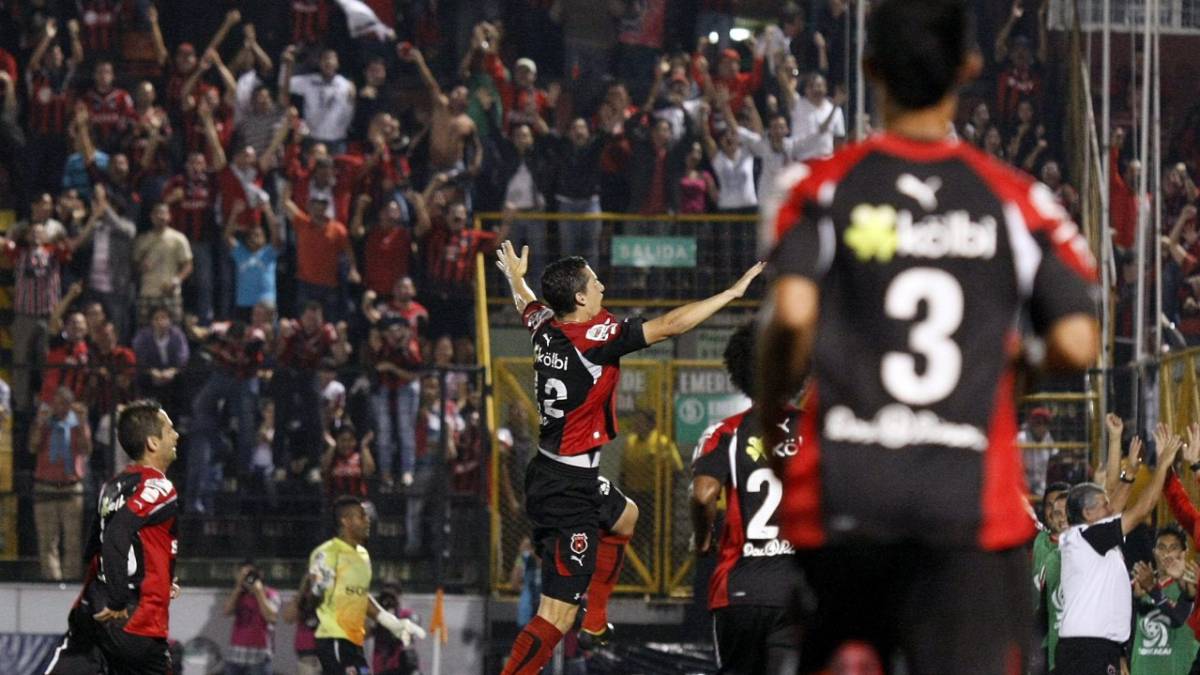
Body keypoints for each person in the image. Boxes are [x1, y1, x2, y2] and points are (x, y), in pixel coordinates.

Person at [757, 1, 1100, 672]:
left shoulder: (819, 189)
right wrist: (1016, 368)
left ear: (868, 67)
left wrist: (772, 412)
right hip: (966, 508)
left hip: (849, 498)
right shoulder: (1017, 200)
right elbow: (1079, 341)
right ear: (971, 69)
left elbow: (793, 316)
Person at [494, 240, 762, 674]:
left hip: (558, 472)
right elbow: (673, 325)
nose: (601, 284)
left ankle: (596, 618)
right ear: (579, 297)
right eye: (593, 280)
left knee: (626, 517)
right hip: (566, 491)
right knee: (555, 615)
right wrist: (731, 293)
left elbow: (527, 303)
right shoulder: (593, 339)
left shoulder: (547, 327)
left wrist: (516, 278)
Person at [691, 322, 806, 674]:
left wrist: (703, 536)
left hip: (737, 588)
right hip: (795, 590)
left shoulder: (724, 432)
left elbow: (703, 494)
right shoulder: (814, 429)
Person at [45, 400, 183, 674]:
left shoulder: (112, 486)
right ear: (153, 443)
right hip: (134, 619)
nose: (176, 434)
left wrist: (159, 577)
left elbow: (92, 547)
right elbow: (118, 534)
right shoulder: (158, 486)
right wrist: (119, 598)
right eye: (169, 429)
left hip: (93, 611)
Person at [1056, 425, 1182, 675]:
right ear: (1087, 514)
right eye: (1103, 505)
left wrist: (1131, 471)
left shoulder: (1089, 537)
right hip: (1089, 651)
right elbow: (1143, 509)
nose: (1111, 509)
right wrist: (1164, 464)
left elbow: (1115, 505)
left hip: (1093, 649)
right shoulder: (1090, 536)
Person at [308, 495, 423, 674]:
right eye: (361, 517)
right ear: (345, 521)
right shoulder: (326, 554)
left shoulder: (362, 555)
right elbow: (314, 598)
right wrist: (321, 586)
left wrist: (390, 622)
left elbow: (360, 596)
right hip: (335, 638)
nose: (367, 521)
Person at [30, 388, 91, 581]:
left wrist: (81, 424)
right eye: (56, 403)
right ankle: (52, 579)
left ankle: (71, 579)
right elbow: (33, 446)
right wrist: (40, 424)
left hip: (70, 487)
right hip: (46, 486)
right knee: (47, 540)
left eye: (64, 403)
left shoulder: (77, 425)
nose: (59, 408)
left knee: (72, 540)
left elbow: (85, 449)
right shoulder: (45, 424)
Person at [1129, 526, 1199, 674]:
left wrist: (1153, 590)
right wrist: (1135, 600)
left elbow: (1178, 619)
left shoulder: (1189, 585)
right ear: (1154, 552)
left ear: (1184, 553)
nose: (1166, 554)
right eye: (1161, 548)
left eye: (1173, 548)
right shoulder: (1138, 584)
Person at [223, 559, 280, 675]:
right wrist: (238, 588)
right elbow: (226, 611)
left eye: (250, 574)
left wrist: (259, 592)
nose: (247, 578)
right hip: (235, 655)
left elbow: (271, 617)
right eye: (243, 574)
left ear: (260, 574)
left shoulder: (270, 593)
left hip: (259, 657)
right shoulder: (239, 595)